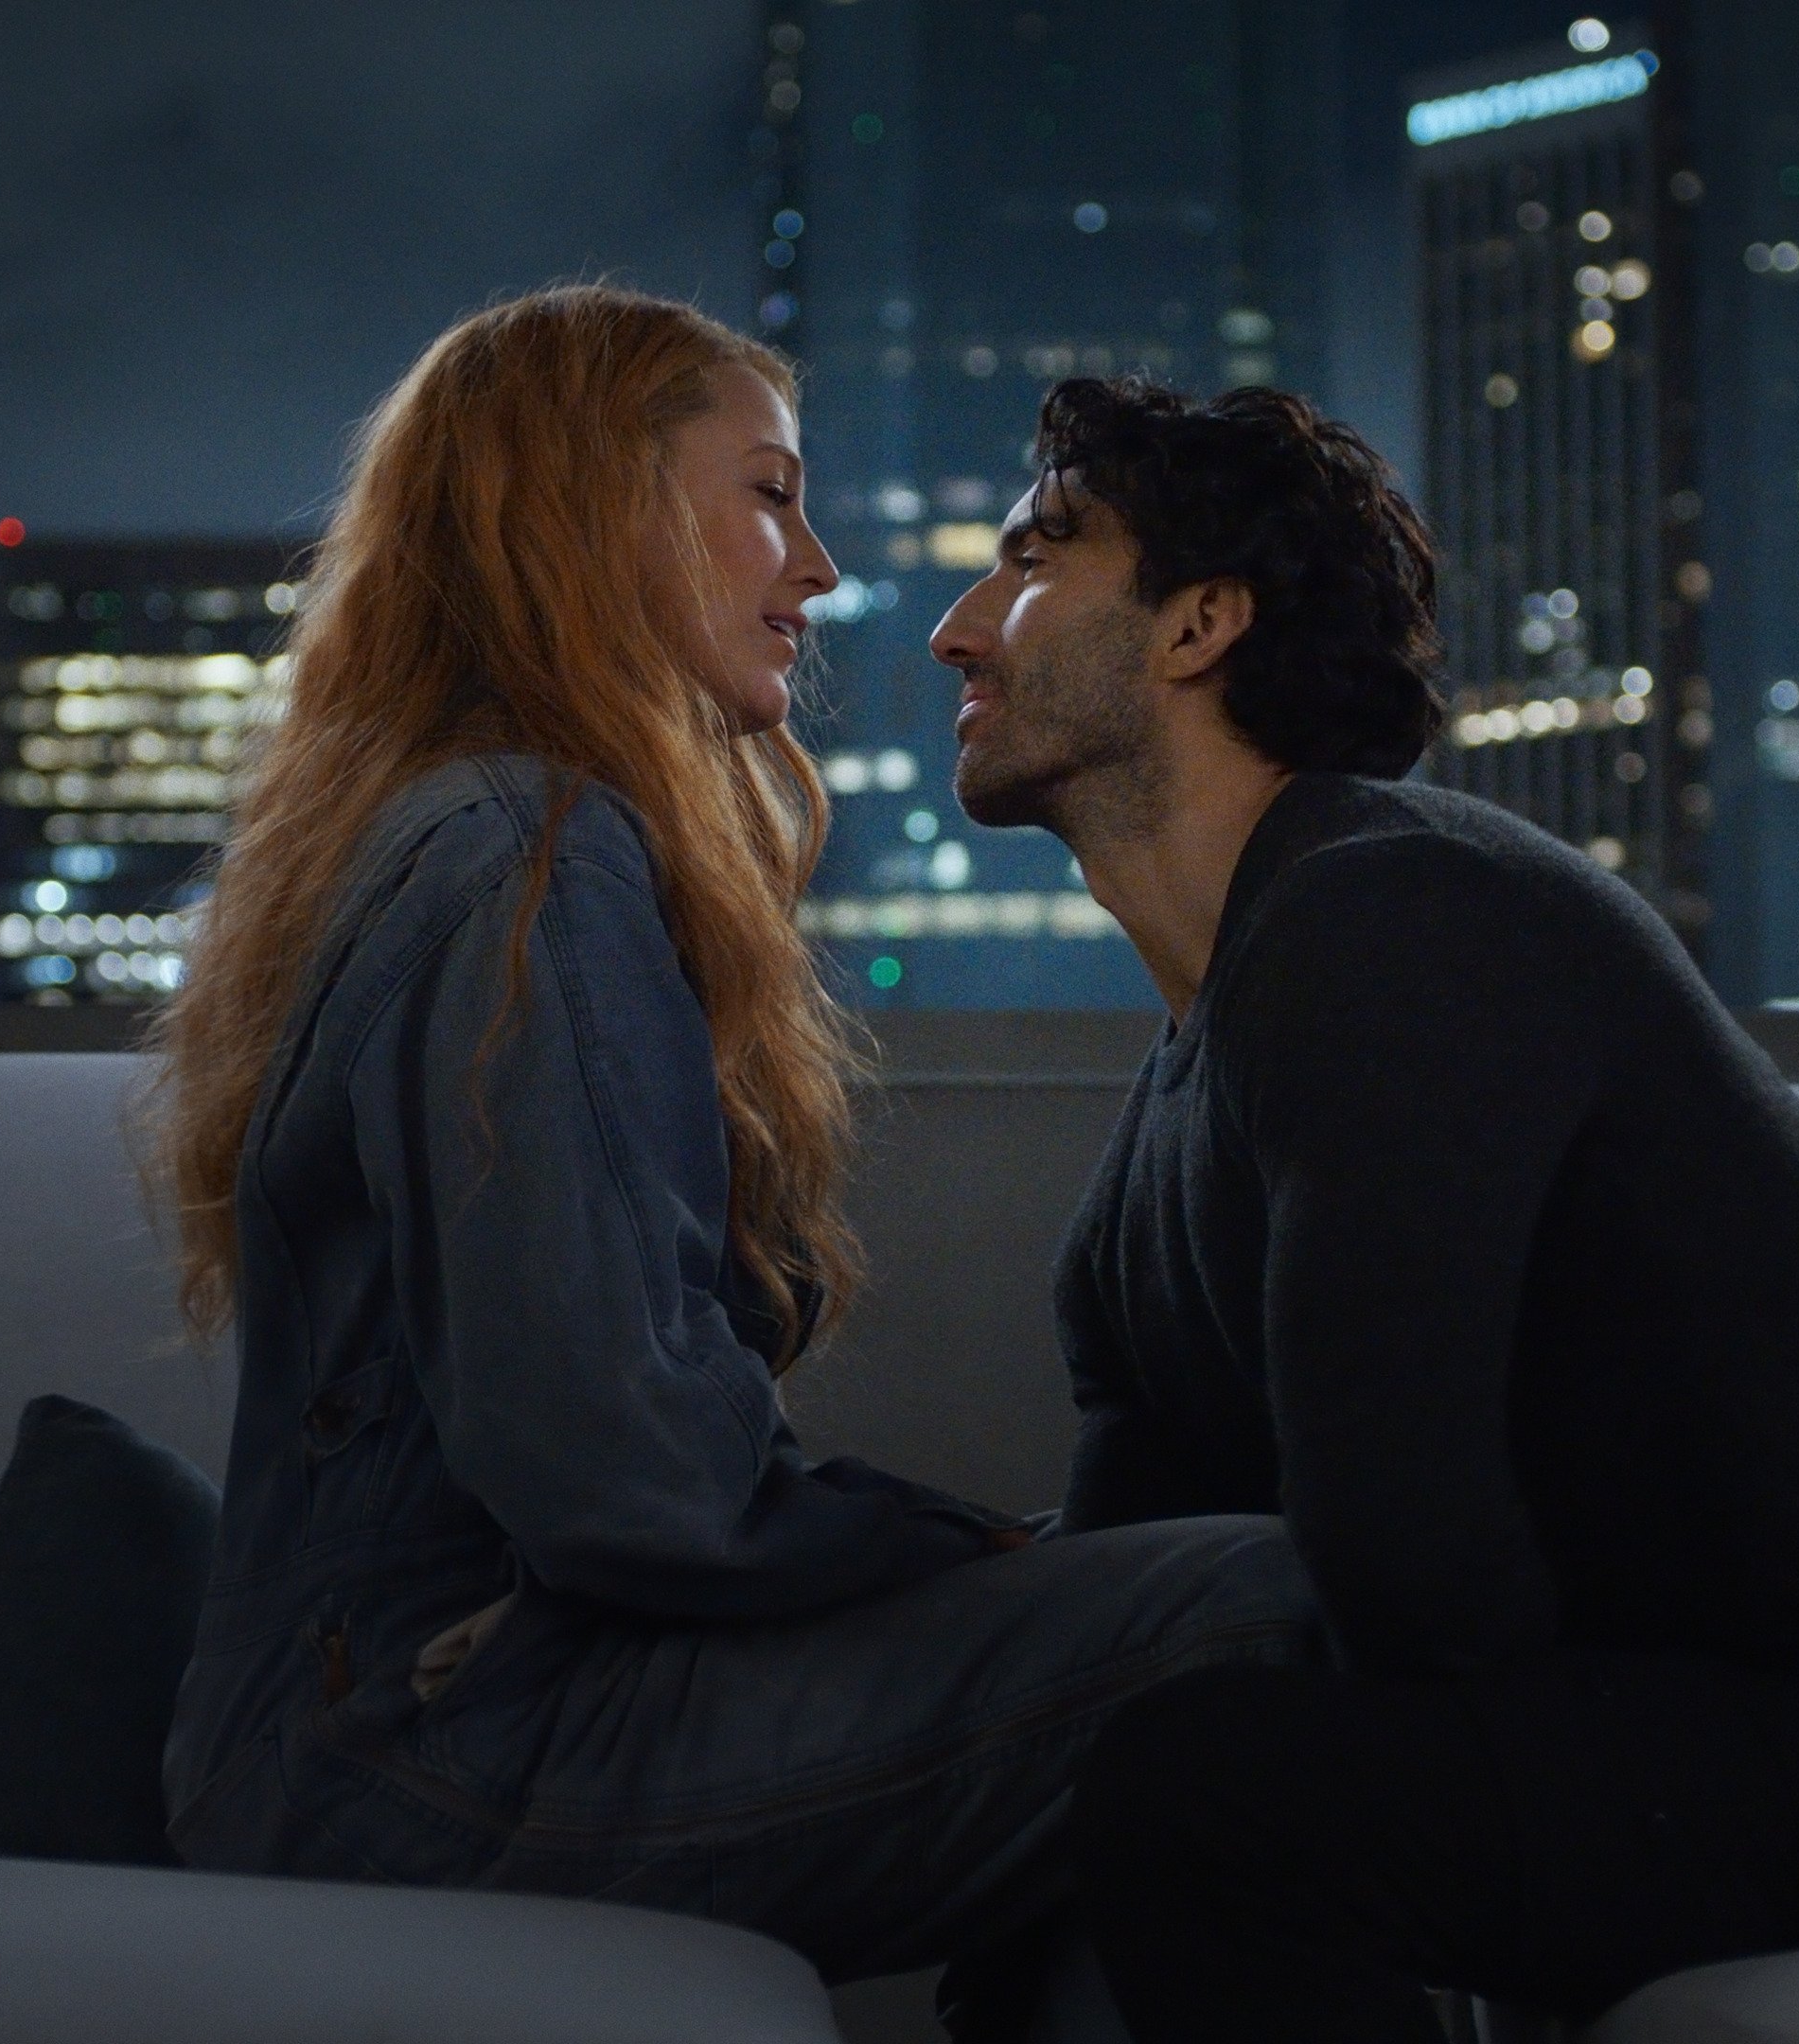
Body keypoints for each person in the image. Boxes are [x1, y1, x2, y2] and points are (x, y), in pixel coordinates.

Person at [142, 286, 1314, 2027]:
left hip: (378, 1735)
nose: (819, 570)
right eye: (769, 495)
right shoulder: (530, 851)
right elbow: (629, 1476)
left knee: (1148, 1689)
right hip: (429, 1757)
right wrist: (978, 1562)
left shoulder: (464, 829)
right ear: (593, 510)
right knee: (1268, 1610)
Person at [923, 374, 1799, 2041]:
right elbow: (1112, 1615)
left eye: (1034, 559)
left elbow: (1408, 1555)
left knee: (1211, 1795)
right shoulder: (1157, 1153)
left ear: (1200, 625)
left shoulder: (1397, 916)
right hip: (1695, 1721)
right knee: (1085, 1826)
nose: (957, 628)